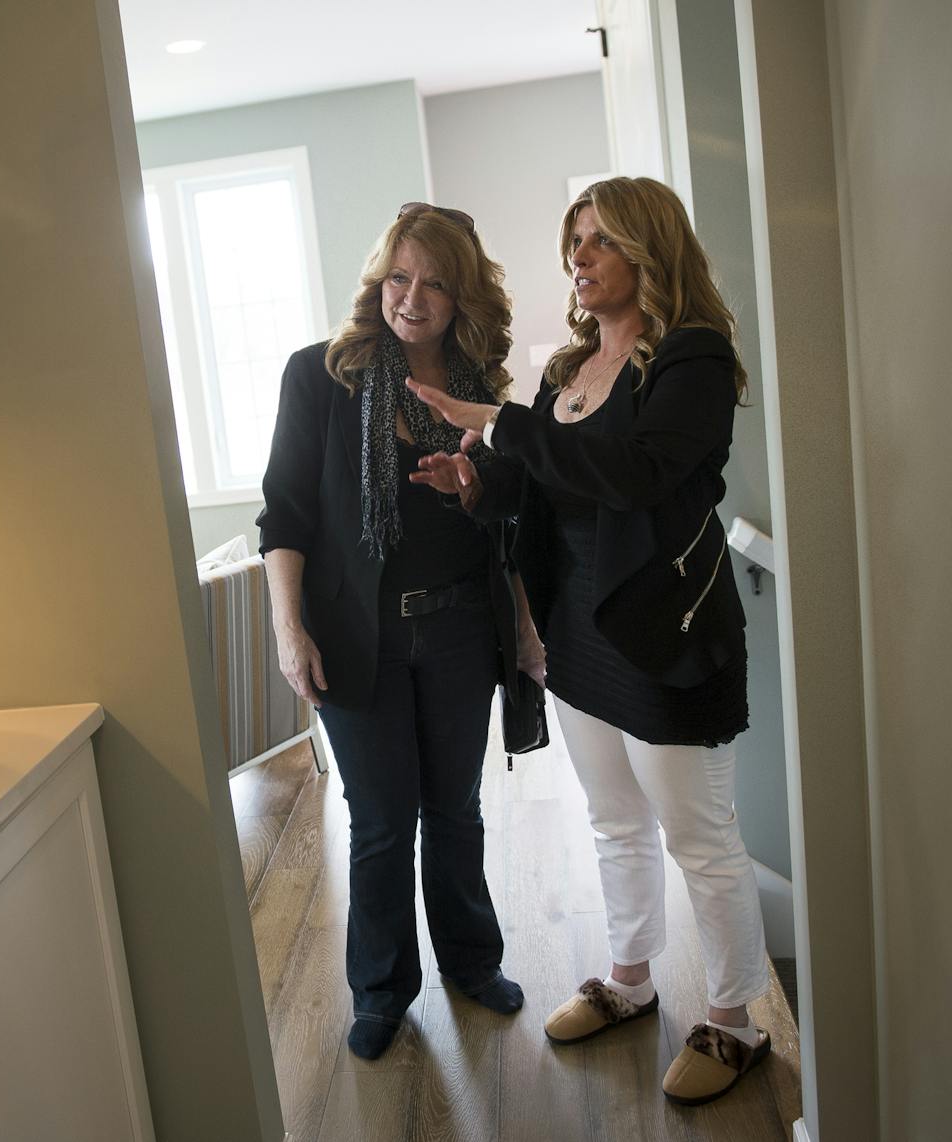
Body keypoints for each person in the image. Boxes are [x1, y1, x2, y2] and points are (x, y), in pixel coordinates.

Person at [408, 176, 771, 1106]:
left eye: (601, 239)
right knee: (615, 823)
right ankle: (631, 978)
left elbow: (638, 475)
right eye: (575, 239)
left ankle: (736, 1022)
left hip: (662, 636)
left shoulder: (691, 357)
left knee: (701, 836)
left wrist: (502, 424)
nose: (580, 256)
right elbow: (546, 487)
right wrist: (478, 483)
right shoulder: (569, 369)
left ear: (649, 249)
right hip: (578, 631)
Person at [257, 203, 528, 1061]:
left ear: (461, 298)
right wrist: (287, 627)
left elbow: (510, 519)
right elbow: (286, 514)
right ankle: (379, 991)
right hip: (355, 635)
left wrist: (473, 492)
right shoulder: (319, 377)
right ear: (379, 281)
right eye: (400, 277)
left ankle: (472, 964)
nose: (413, 297)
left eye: (436, 283)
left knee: (456, 809)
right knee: (380, 822)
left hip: (457, 630)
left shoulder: (481, 392)